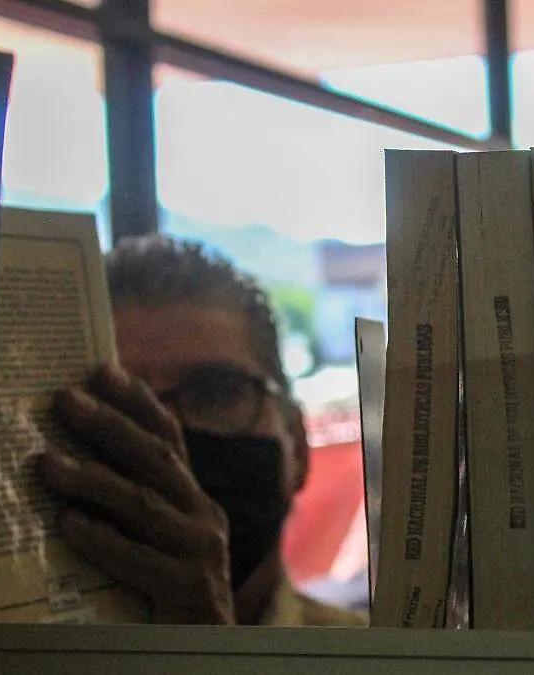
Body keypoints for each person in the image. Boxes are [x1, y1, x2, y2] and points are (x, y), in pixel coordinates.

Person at [35, 234, 367, 627]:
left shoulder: (376, 659)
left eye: (216, 394)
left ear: (296, 445)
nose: (167, 439)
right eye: (123, 407)